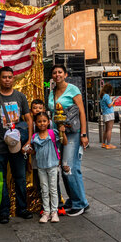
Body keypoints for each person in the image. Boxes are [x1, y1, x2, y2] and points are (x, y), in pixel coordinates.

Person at [0, 66, 33, 224]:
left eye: (10, 77)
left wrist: (29, 141)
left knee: (20, 178)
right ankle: (3, 212)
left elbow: (29, 119)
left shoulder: (20, 97)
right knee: (0, 179)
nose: (7, 80)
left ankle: (22, 208)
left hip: (17, 147)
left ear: (13, 78)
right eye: (4, 77)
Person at [48, 64, 89, 216]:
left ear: (65, 74)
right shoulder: (52, 92)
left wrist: (84, 135)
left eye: (60, 72)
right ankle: (73, 199)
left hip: (73, 133)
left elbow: (82, 112)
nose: (57, 74)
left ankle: (80, 203)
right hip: (58, 133)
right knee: (63, 168)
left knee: (69, 167)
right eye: (54, 72)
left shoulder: (73, 89)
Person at [32, 112, 60, 224]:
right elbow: (34, 151)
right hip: (41, 166)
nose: (42, 123)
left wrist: (62, 131)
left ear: (48, 122)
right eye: (39, 121)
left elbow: (64, 141)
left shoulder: (53, 133)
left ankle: (54, 212)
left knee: (53, 189)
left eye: (44, 121)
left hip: (52, 165)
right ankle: (46, 212)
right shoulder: (34, 137)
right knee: (44, 189)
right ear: (36, 123)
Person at [99, 84, 116, 149]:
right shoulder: (106, 95)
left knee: (106, 129)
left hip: (105, 113)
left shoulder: (102, 95)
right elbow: (109, 105)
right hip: (109, 113)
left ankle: (103, 143)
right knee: (109, 130)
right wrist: (113, 101)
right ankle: (108, 144)